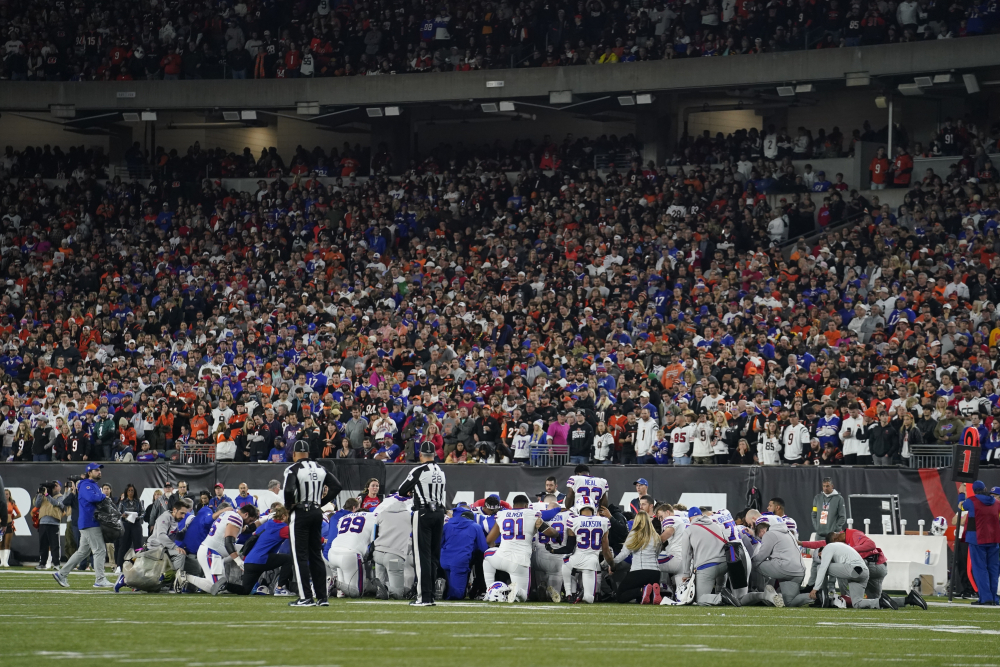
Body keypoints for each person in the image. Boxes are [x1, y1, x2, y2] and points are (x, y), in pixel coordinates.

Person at [283, 439, 342, 607]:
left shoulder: (292, 468)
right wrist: (321, 503)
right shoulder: (320, 468)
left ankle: (306, 597)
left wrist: (288, 507)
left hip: (301, 512)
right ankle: (322, 598)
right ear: (308, 454)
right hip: (317, 512)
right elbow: (337, 486)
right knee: (316, 555)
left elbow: (288, 490)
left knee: (300, 556)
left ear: (294, 454)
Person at [398, 441, 447, 607]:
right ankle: (431, 595)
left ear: (421, 454)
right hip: (440, 513)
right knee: (434, 556)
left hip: (424, 512)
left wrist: (413, 491)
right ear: (434, 454)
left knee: (422, 556)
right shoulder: (441, 471)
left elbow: (402, 490)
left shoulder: (418, 470)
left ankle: (424, 597)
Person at [483, 494, 558, 602]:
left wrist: (494, 547)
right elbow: (550, 532)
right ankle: (514, 589)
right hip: (520, 562)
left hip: (501, 557)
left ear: (513, 505)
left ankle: (489, 590)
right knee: (523, 596)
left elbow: (489, 540)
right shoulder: (532, 514)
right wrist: (557, 535)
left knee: (487, 555)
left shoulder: (502, 514)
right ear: (526, 505)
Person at [178, 503, 258, 595]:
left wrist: (266, 519)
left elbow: (248, 529)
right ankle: (185, 577)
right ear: (246, 514)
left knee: (244, 549)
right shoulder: (236, 518)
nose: (249, 523)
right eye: (250, 520)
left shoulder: (233, 513)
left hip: (214, 552)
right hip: (211, 553)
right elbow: (228, 543)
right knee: (217, 587)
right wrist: (239, 562)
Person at [53, 463, 112, 588]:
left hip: (89, 522)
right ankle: (100, 579)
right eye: (96, 470)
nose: (99, 472)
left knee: (82, 552)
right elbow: (92, 498)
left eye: (100, 470)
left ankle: (61, 574)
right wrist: (103, 496)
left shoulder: (92, 485)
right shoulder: (85, 484)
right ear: (89, 473)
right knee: (100, 550)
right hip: (90, 522)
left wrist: (101, 496)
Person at [548, 496, 610, 604]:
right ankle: (583, 594)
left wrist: (553, 551)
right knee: (589, 599)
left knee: (565, 561)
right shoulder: (603, 521)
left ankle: (569, 594)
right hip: (591, 561)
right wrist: (612, 565)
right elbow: (606, 550)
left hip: (575, 560)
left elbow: (569, 548)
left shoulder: (573, 520)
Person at [227, 503, 294, 596]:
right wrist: (321, 540)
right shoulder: (283, 528)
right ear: (283, 516)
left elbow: (253, 538)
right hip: (260, 560)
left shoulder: (266, 524)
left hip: (249, 561)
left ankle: (224, 585)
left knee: (245, 590)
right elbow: (299, 537)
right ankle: (280, 588)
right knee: (288, 559)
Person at [682, 506, 740, 607]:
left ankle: (722, 598)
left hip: (707, 567)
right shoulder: (715, 525)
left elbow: (686, 554)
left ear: (690, 518)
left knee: (701, 599)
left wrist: (686, 573)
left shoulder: (690, 529)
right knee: (719, 589)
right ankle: (722, 595)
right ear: (702, 515)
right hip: (725, 564)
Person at [750, 515, 810, 607]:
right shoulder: (788, 532)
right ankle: (817, 596)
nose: (761, 539)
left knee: (754, 563)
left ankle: (759, 591)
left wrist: (749, 560)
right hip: (798, 571)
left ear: (762, 531)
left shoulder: (769, 534)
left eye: (760, 536)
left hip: (784, 568)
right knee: (790, 602)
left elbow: (761, 556)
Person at [809, 540, 886, 609]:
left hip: (854, 569)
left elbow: (823, 568)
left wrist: (815, 589)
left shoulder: (827, 548)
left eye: (821, 558)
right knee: (857, 603)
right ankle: (881, 602)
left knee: (820, 567)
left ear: (820, 553)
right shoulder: (838, 548)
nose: (823, 560)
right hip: (863, 573)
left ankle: (822, 598)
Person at [957, 481, 1000, 605]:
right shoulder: (996, 503)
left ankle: (986, 598)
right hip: (994, 539)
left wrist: (961, 493)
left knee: (980, 569)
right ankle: (994, 598)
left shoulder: (972, 501)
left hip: (977, 539)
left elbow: (960, 506)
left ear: (974, 491)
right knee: (993, 569)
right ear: (985, 488)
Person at [326, 497, 377, 598]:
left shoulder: (342, 517)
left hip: (333, 552)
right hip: (349, 554)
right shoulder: (372, 516)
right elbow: (373, 542)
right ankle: (335, 582)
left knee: (344, 591)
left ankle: (336, 586)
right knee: (357, 592)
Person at [611, 512, 663, 603]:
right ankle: (650, 593)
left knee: (620, 596)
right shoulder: (656, 536)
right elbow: (657, 554)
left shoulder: (634, 534)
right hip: (655, 573)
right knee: (642, 600)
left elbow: (624, 553)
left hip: (639, 571)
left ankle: (642, 590)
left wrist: (612, 563)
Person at [439, 503, 488, 600]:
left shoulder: (447, 526)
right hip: (460, 561)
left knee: (452, 583)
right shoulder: (475, 526)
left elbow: (439, 543)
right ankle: (447, 591)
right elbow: (483, 548)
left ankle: (443, 588)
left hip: (444, 559)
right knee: (458, 594)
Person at [373, 493, 415, 599]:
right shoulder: (409, 516)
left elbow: (374, 534)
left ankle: (381, 588)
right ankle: (387, 589)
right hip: (394, 555)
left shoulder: (381, 513)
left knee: (381, 578)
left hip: (378, 553)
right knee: (397, 594)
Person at [33, 480, 64, 569]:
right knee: (43, 544)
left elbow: (56, 504)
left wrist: (47, 495)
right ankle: (42, 563)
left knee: (54, 545)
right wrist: (40, 494)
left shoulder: (60, 497)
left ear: (60, 488)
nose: (54, 487)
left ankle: (56, 564)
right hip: (43, 522)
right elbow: (36, 504)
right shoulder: (44, 496)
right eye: (53, 485)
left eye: (56, 485)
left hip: (54, 523)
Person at [116, 484, 145, 571]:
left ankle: (139, 565)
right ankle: (119, 566)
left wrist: (137, 517)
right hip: (126, 524)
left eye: (132, 490)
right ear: (126, 492)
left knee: (138, 545)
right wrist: (123, 515)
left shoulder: (138, 501)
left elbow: (143, 512)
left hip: (136, 524)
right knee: (123, 545)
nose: (130, 492)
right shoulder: (123, 502)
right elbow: (118, 513)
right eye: (129, 490)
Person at [1, 485, 19, 567]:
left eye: (7, 494)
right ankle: (1, 562)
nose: (6, 495)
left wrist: (12, 518)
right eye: (4, 494)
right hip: (0, 525)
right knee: (0, 543)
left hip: (9, 525)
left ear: (9, 495)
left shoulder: (12, 503)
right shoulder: (1, 503)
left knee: (7, 543)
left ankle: (5, 561)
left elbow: (19, 514)